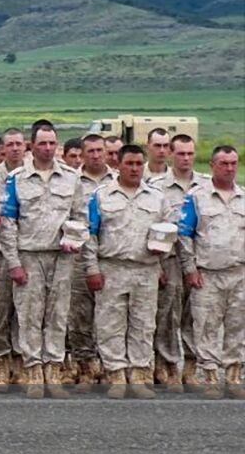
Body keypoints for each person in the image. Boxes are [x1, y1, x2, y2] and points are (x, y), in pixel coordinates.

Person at [0, 123, 85, 398]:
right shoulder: (17, 179)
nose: (48, 148)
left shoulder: (72, 178)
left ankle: (54, 368)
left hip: (62, 257)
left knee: (58, 315)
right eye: (42, 143)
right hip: (29, 255)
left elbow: (81, 217)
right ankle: (34, 368)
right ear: (31, 146)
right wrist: (12, 261)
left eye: (52, 143)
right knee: (29, 316)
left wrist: (75, 239)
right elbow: (8, 222)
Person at [82, 144, 170, 399]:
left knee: (143, 324)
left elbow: (165, 233)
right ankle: (116, 374)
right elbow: (91, 235)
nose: (134, 168)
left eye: (138, 164)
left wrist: (161, 260)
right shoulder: (101, 196)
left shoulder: (157, 197)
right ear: (118, 165)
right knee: (111, 323)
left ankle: (139, 373)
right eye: (129, 163)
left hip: (146, 269)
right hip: (113, 267)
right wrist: (92, 269)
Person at [177, 145, 243, 400]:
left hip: (239, 273)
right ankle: (211, 375)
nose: (229, 168)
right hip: (208, 274)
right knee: (206, 326)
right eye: (224, 163)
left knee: (238, 326)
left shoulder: (243, 197)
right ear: (212, 166)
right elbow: (184, 235)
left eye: (233, 163)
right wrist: (189, 269)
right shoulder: (196, 197)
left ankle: (234, 375)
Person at [148, 133, 208, 390]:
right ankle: (167, 365)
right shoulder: (156, 186)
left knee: (196, 315)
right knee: (167, 315)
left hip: (200, 261)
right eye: (180, 153)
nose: (185, 158)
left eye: (190, 153)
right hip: (169, 259)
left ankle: (191, 367)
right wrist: (157, 265)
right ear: (171, 154)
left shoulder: (205, 186)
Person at [66, 134, 116, 388]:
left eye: (100, 150)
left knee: (109, 315)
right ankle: (84, 365)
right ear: (82, 154)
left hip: (107, 257)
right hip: (77, 258)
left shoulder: (117, 181)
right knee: (79, 314)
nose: (96, 155)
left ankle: (109, 366)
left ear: (107, 153)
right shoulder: (70, 181)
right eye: (91, 151)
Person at [0, 127, 26, 387]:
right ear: (1, 149)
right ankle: (0, 362)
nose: (14, 148)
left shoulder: (32, 176)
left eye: (19, 144)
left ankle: (22, 362)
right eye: (9, 144)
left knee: (25, 313)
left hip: (26, 252)